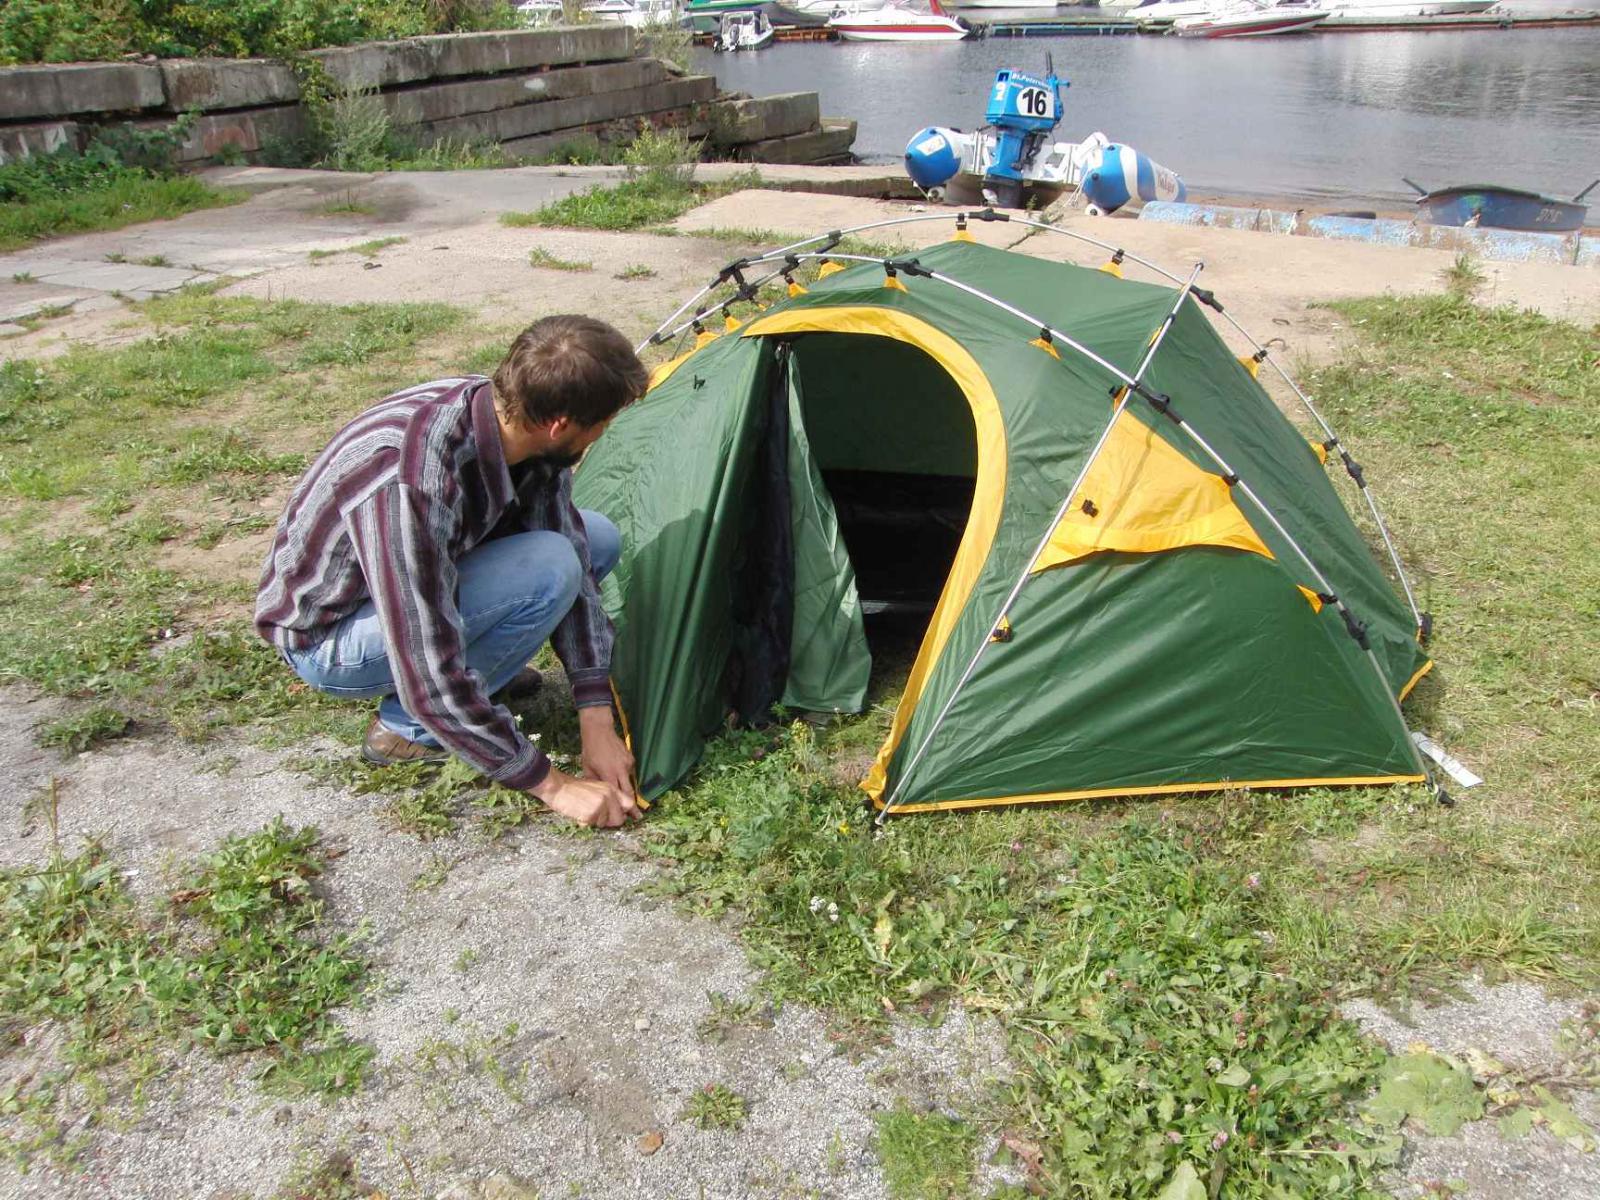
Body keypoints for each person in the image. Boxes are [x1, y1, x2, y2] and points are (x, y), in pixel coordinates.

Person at [255, 315, 647, 829]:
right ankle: (404, 731)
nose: (602, 434)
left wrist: (595, 718)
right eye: (602, 423)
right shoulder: (411, 481)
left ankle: (483, 677)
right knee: (551, 568)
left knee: (593, 539)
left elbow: (570, 542)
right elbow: (424, 663)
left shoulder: (513, 417)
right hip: (333, 638)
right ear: (560, 425)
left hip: (411, 583)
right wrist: (554, 786)